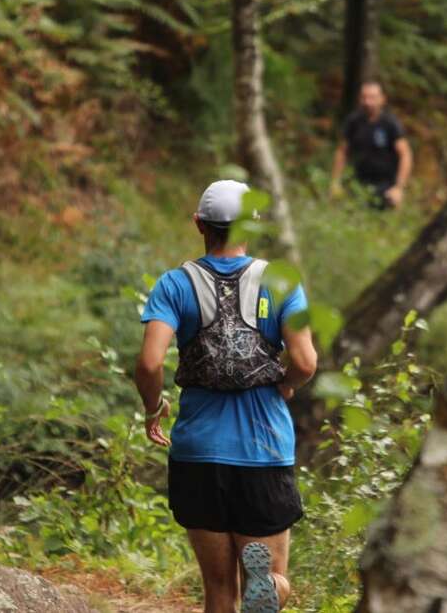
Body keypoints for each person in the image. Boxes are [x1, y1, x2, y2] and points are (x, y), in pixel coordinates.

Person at [134, 179, 317, 613]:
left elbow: (148, 364)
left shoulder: (174, 285)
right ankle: (270, 586)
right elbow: (306, 361)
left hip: (199, 453)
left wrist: (152, 406)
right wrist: (287, 383)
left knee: (218, 591)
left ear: (200, 224)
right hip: (263, 450)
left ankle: (259, 587)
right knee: (271, 582)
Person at [331, 80, 414, 209]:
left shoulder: (390, 124)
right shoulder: (353, 121)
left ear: (382, 99)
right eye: (364, 97)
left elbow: (405, 155)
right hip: (357, 185)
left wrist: (399, 188)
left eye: (372, 98)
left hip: (385, 186)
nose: (368, 102)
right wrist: (336, 181)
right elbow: (342, 151)